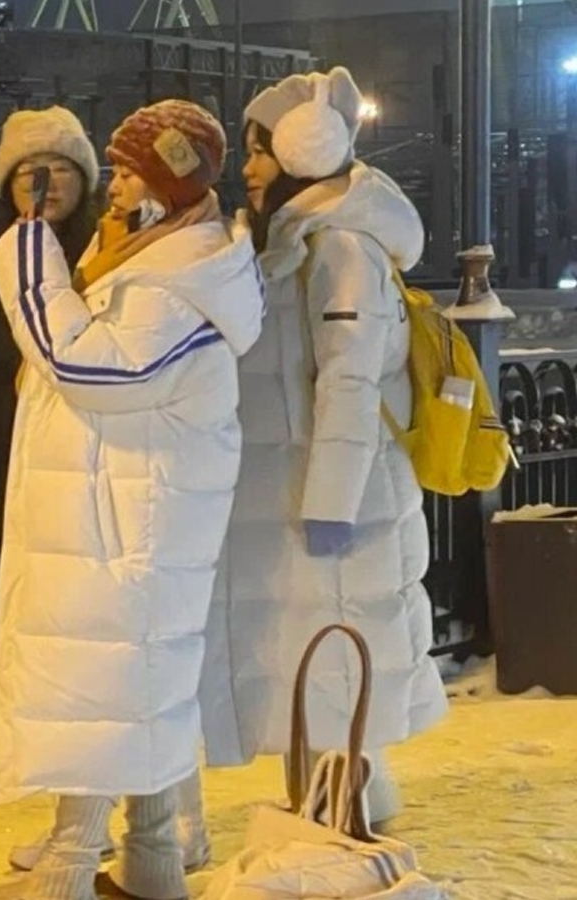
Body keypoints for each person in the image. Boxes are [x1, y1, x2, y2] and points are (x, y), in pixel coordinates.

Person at [0, 100, 263, 900]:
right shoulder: (152, 260)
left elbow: (89, 367)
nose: (116, 186)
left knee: (106, 699)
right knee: (136, 697)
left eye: (132, 172)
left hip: (130, 527)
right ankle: (152, 864)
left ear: (169, 185)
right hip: (126, 517)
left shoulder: (179, 284)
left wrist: (33, 255)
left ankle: (67, 873)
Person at [197, 66, 448, 827]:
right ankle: (340, 814)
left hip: (333, 501)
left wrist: (330, 505)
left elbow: (350, 382)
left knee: (331, 664)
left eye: (260, 150)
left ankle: (340, 828)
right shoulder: (301, 238)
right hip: (301, 490)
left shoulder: (340, 247)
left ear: (304, 150)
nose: (247, 167)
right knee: (312, 670)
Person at [0, 106, 99, 604]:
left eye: (60, 168)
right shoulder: (5, 262)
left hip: (89, 474)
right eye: (28, 171)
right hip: (13, 469)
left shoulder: (107, 258)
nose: (44, 184)